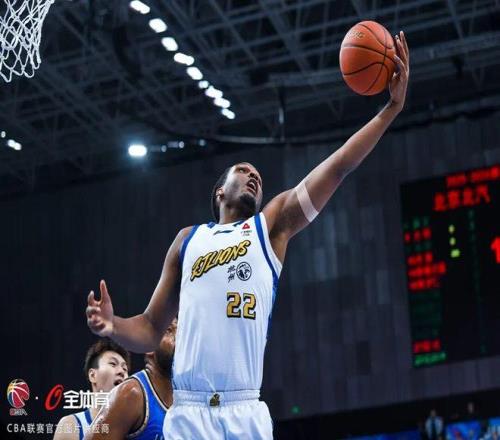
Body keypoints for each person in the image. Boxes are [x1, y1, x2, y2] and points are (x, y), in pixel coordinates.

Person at [86, 32, 410, 439]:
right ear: (220, 192)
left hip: (244, 409)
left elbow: (340, 165)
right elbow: (151, 327)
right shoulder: (188, 240)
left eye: (258, 174)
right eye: (243, 171)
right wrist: (112, 325)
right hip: (190, 411)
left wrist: (390, 110)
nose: (254, 175)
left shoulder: (269, 227)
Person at [85, 320, 176, 440]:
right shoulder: (130, 393)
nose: (179, 338)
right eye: (169, 330)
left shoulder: (187, 397)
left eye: (182, 332)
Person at [54, 338, 131, 440]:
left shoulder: (136, 431)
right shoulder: (71, 425)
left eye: (125, 369)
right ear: (93, 375)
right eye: (113, 364)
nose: (122, 372)